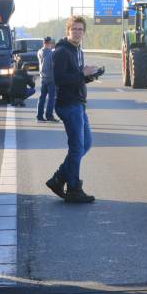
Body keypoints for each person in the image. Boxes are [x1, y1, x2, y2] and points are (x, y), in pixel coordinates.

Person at [45, 16, 101, 203]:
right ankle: (73, 188)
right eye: (74, 29)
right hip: (68, 105)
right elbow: (60, 80)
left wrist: (91, 76)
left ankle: (59, 178)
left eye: (80, 29)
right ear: (67, 31)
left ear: (84, 32)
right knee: (77, 148)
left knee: (85, 145)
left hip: (78, 103)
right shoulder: (61, 51)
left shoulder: (77, 50)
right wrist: (81, 73)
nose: (77, 32)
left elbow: (76, 79)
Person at [36, 37, 58, 122]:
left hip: (43, 77)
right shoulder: (51, 53)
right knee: (51, 98)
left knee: (42, 98)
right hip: (51, 78)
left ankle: (39, 116)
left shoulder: (39, 51)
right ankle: (49, 116)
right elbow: (53, 65)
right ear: (49, 43)